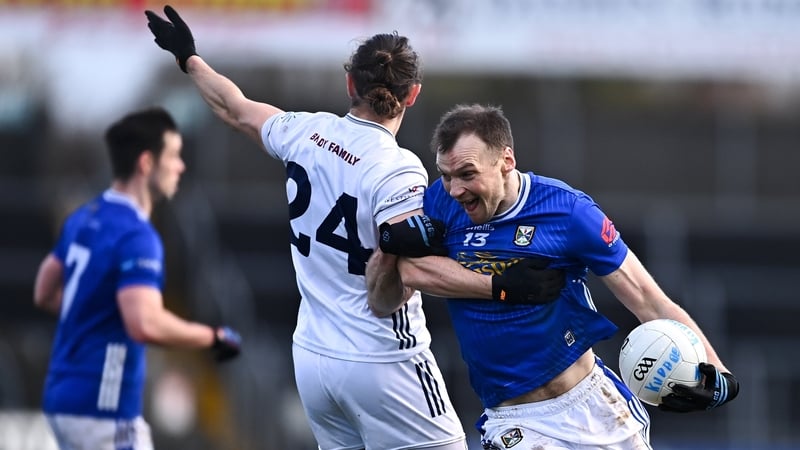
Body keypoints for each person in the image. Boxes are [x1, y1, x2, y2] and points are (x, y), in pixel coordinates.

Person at [144, 7, 566, 450]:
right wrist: (501, 284)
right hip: (382, 358)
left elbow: (234, 108)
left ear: (351, 84)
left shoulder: (304, 131)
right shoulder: (397, 167)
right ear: (413, 94)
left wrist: (189, 58)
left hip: (312, 358)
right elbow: (409, 272)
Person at [378, 103, 740, 449]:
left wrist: (719, 374)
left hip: (595, 406)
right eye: (445, 175)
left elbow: (647, 297)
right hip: (515, 420)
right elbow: (409, 269)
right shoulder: (440, 203)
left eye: (467, 174)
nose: (455, 189)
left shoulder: (567, 212)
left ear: (506, 161)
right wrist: (499, 287)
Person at [33, 107, 242, 450]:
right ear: (146, 163)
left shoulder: (84, 217)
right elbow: (144, 324)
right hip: (104, 410)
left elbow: (44, 291)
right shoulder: (137, 235)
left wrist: (94, 314)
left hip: (62, 399)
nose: (180, 166)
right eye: (173, 156)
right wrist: (212, 337)